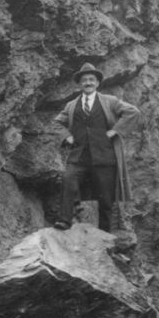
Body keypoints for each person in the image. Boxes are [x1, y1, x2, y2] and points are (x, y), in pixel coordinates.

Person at [53, 62, 140, 231]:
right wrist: (67, 137)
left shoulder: (110, 101)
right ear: (79, 84)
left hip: (104, 157)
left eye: (91, 79)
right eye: (84, 80)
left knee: (106, 198)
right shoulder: (71, 106)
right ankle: (64, 220)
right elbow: (57, 123)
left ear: (97, 83)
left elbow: (133, 112)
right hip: (78, 156)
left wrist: (115, 131)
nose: (88, 83)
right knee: (68, 181)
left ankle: (105, 232)